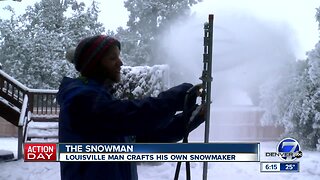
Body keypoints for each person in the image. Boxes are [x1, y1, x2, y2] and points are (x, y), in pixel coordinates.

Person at [57, 35, 204, 180]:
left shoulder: (101, 100)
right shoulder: (80, 100)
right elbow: (131, 116)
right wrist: (176, 97)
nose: (120, 63)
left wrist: (191, 118)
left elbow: (146, 138)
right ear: (94, 65)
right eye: (112, 58)